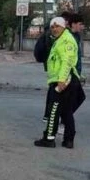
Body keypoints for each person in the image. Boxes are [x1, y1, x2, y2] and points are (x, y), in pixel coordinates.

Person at [34, 16, 81, 149]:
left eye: (57, 26)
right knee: (66, 112)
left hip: (63, 81)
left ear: (63, 26)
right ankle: (69, 140)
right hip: (63, 80)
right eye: (52, 27)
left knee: (53, 110)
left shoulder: (66, 40)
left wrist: (61, 80)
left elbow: (67, 61)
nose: (54, 29)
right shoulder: (60, 39)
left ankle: (49, 139)